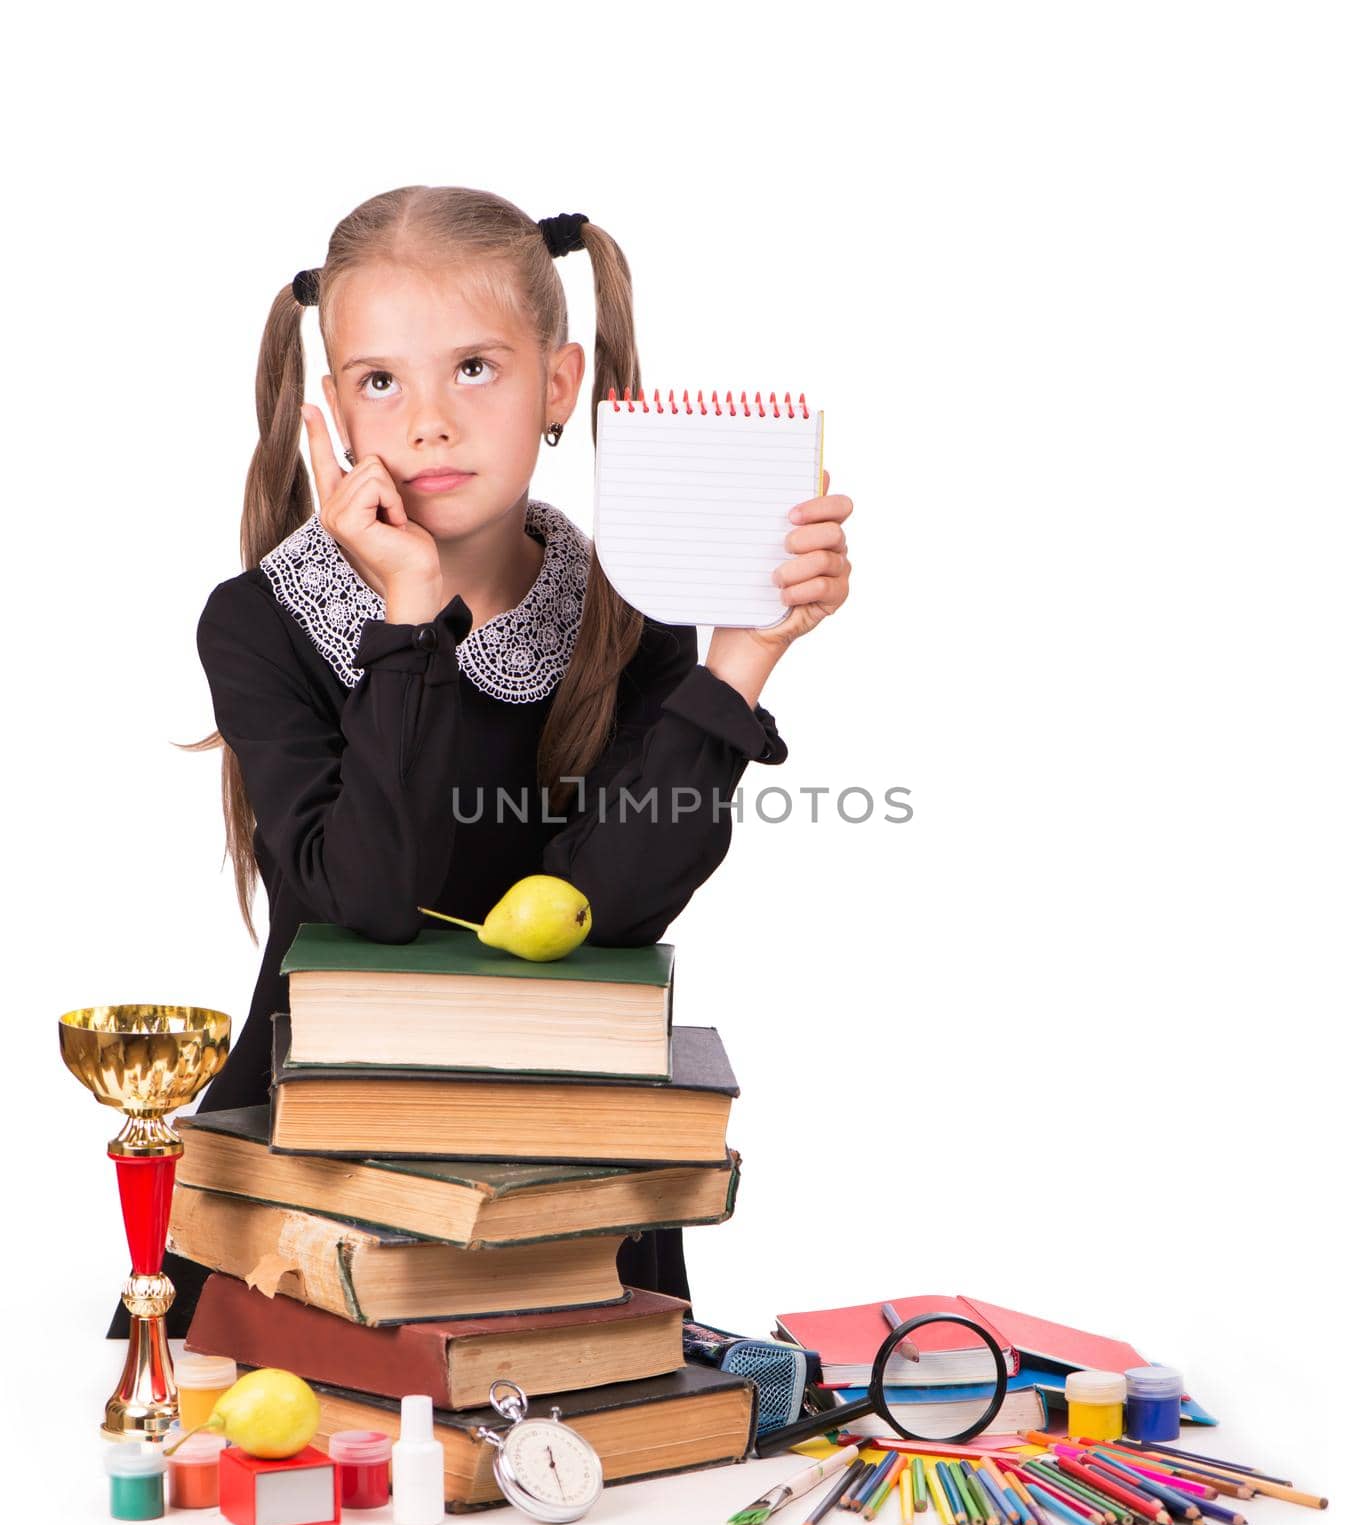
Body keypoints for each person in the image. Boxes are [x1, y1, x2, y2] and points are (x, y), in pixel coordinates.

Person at [108, 186, 852, 1338]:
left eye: (473, 369)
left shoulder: (627, 615)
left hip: (558, 1145)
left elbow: (611, 906)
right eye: (379, 381)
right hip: (320, 1150)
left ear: (557, 383)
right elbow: (368, 899)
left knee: (587, 1418)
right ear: (336, 411)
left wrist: (738, 664)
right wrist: (407, 621)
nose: (427, 425)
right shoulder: (257, 623)